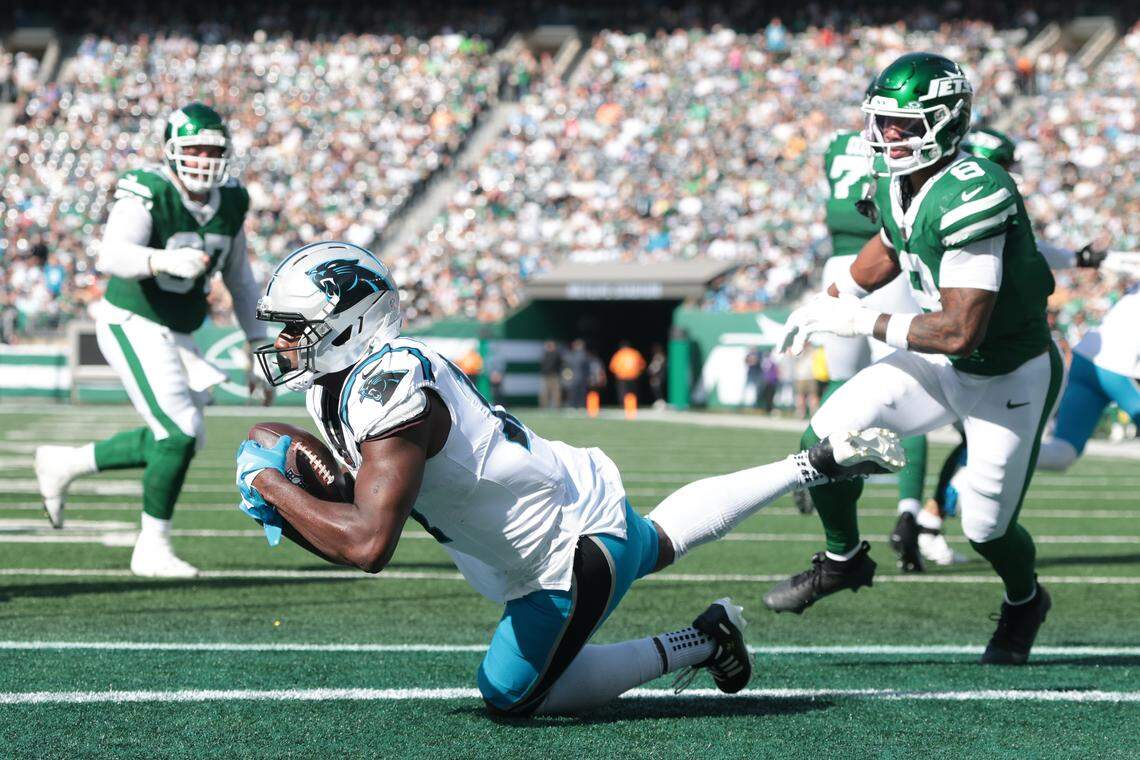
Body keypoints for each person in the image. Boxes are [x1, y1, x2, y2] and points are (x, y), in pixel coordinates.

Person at [235, 240, 905, 717]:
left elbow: (367, 545)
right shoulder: (346, 383)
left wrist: (271, 488)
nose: (285, 343)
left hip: (561, 551)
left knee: (512, 696)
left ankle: (701, 641)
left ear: (349, 324)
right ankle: (811, 463)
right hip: (559, 504)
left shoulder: (387, 386)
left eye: (297, 329)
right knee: (659, 541)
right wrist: (285, 488)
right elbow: (358, 503)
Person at [768, 53, 1059, 665]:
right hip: (942, 365)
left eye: (905, 124)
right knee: (823, 435)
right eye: (883, 122)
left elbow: (959, 332)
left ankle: (1024, 600)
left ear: (948, 123)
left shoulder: (976, 191)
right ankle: (843, 560)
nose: (889, 137)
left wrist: (862, 319)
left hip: (1005, 372)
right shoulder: (896, 180)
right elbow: (892, 242)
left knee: (986, 530)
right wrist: (832, 297)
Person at [34, 102, 272, 578]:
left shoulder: (230, 202)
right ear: (171, 151)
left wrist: (259, 347)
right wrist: (158, 261)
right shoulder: (148, 190)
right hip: (132, 319)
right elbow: (113, 253)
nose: (204, 158)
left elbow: (242, 282)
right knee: (179, 431)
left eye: (213, 149)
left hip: (178, 329)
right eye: (194, 149)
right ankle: (151, 546)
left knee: (184, 436)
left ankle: (66, 463)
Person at [806, 117, 931, 562]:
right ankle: (909, 512)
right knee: (907, 383)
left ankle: (813, 467)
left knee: (841, 382)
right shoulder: (900, 139)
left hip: (837, 265)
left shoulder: (837, 143)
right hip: (882, 260)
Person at [609, 340, 646, 405]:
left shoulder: (619, 354)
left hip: (622, 377)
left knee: (623, 392)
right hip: (633, 376)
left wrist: (618, 373)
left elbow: (612, 367)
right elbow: (642, 365)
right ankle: (633, 405)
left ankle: (624, 405)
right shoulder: (635, 353)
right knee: (633, 392)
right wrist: (638, 372)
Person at [563, 339, 591, 409]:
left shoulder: (582, 354)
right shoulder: (573, 354)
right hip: (575, 376)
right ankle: (574, 405)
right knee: (574, 392)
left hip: (580, 376)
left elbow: (584, 365)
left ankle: (579, 405)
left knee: (579, 392)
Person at [538, 340, 563, 409]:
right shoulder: (545, 354)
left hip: (554, 375)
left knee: (556, 393)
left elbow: (560, 364)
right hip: (545, 376)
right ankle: (543, 407)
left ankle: (556, 407)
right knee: (544, 393)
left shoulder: (557, 354)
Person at [647, 343, 667, 408]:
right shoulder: (656, 356)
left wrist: (651, 371)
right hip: (656, 377)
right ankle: (659, 402)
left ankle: (661, 402)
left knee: (658, 390)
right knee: (656, 390)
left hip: (658, 377)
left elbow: (656, 367)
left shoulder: (660, 356)